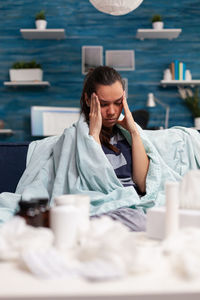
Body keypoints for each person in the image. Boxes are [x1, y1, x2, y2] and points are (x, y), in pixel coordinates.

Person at [80, 66, 149, 230]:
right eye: (104, 104)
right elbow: (95, 183)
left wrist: (134, 132)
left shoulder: (127, 134)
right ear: (89, 100)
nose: (112, 111)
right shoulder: (79, 136)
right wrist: (94, 135)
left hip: (131, 205)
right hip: (101, 205)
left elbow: (143, 184)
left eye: (118, 103)